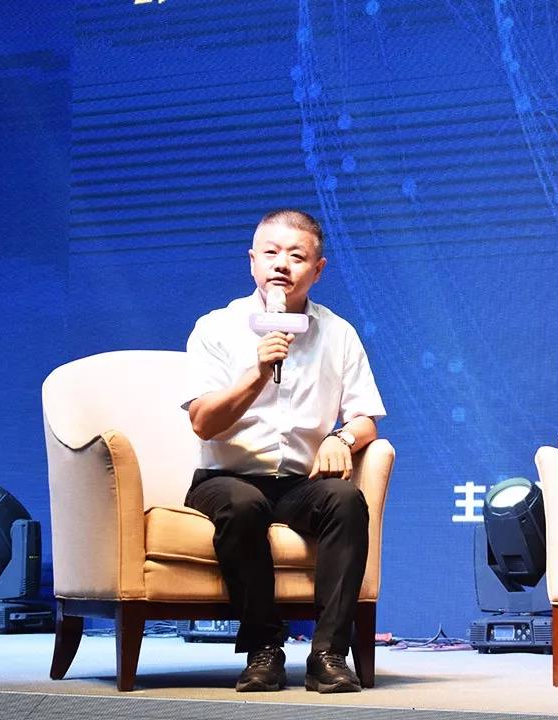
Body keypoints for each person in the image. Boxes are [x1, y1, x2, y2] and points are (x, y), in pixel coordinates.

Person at [182, 209, 385, 694]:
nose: (281, 265)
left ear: (318, 270)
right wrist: (257, 372)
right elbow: (203, 421)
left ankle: (328, 654)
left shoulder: (338, 333)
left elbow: (366, 419)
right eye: (271, 253)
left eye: (296, 256)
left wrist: (340, 438)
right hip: (226, 479)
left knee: (345, 500)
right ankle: (264, 650)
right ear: (252, 261)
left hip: (298, 482)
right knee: (242, 504)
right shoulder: (216, 327)